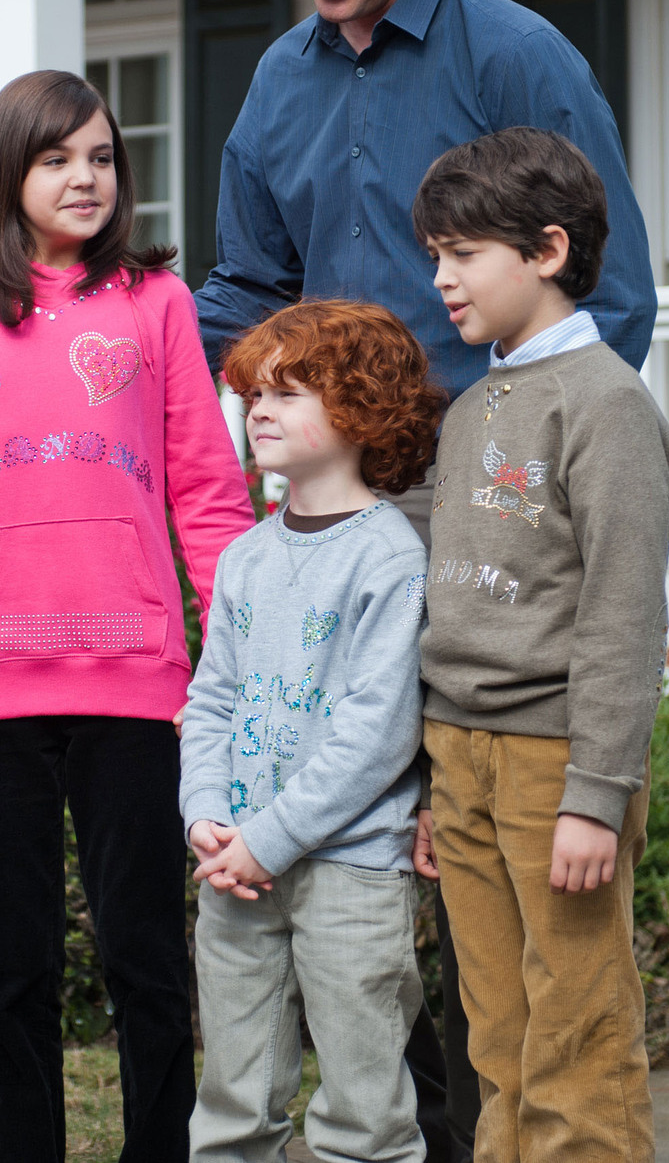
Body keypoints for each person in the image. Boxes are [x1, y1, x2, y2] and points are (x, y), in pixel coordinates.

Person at [191, 0, 662, 1158]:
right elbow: (244, 286)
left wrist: (505, 465)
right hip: (339, 511)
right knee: (372, 856)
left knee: (492, 869)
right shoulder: (278, 80)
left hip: (488, 514)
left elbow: (612, 300)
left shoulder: (517, 57)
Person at [0, 70, 254, 1163]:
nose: (84, 177)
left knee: (145, 958)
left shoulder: (153, 302)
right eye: (56, 158)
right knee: (12, 965)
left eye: (99, 157)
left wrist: (218, 671)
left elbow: (206, 492)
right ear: (9, 171)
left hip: (139, 683)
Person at [413, 128, 669, 1162]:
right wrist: (427, 783)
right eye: (433, 254)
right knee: (497, 1036)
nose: (439, 278)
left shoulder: (606, 405)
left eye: (462, 253)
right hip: (458, 752)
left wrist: (595, 791)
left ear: (547, 251)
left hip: (553, 760)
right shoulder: (473, 404)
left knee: (576, 1032)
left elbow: (621, 609)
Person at [181, 299, 443, 1163]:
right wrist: (206, 816)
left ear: (363, 409)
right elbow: (212, 699)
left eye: (290, 392)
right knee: (231, 1104)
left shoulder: (390, 558)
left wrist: (272, 838)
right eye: (255, 392)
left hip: (350, 874)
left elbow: (377, 733)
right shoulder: (245, 557)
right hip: (236, 873)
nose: (260, 409)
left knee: (364, 1115)